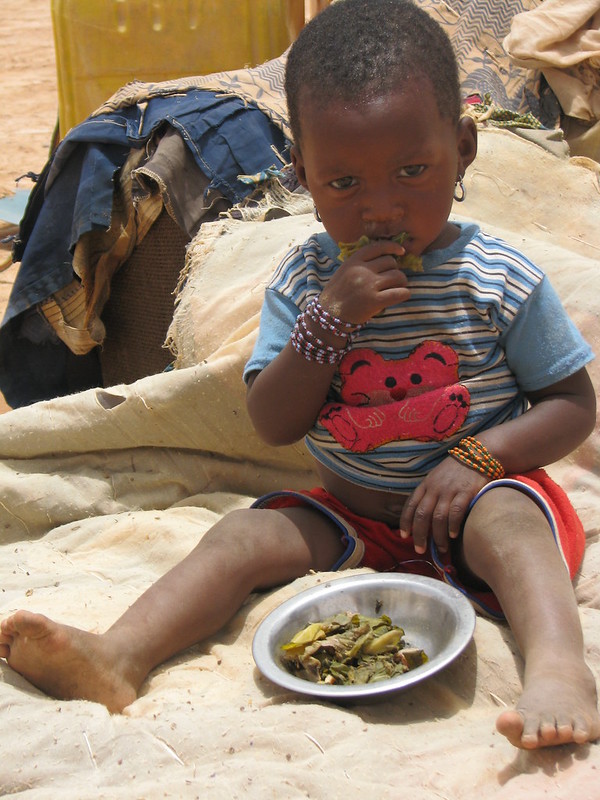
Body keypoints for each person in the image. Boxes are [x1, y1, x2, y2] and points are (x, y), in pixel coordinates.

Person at [1, 0, 599, 750]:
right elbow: (276, 424)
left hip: (480, 500)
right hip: (354, 519)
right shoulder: (305, 285)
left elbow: (573, 406)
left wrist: (476, 461)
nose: (382, 208)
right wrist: (326, 327)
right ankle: (120, 654)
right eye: (343, 184)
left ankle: (559, 669)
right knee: (240, 535)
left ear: (466, 149)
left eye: (413, 171)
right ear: (302, 177)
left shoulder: (497, 277)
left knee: (513, 526)